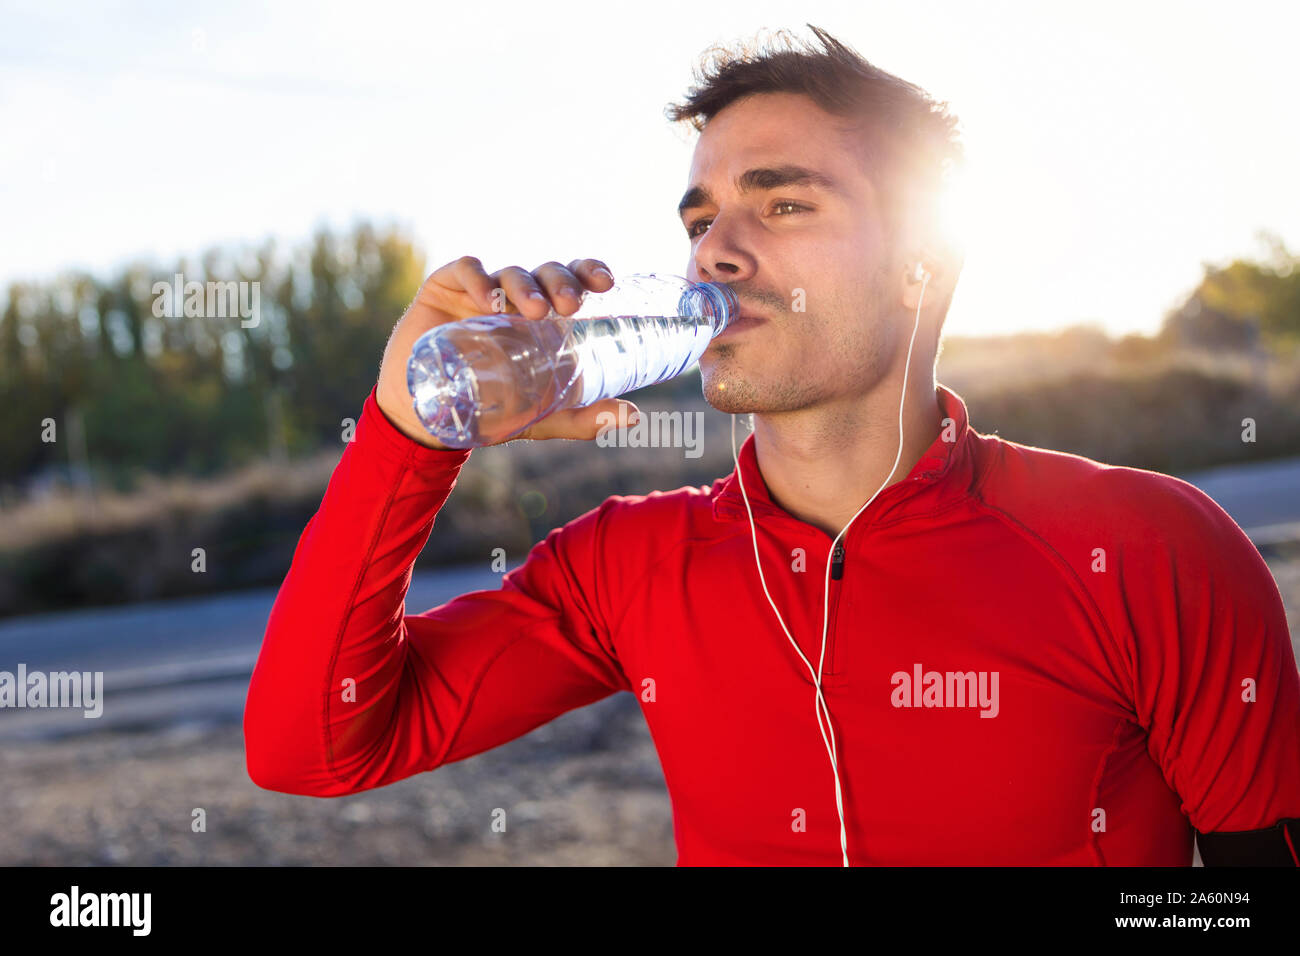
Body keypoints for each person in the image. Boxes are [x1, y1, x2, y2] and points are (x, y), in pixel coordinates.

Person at [244, 25, 1300, 866]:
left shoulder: (1149, 550)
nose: (716, 253)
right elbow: (311, 749)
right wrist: (407, 430)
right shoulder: (629, 567)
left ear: (922, 259)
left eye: (783, 202)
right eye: (700, 219)